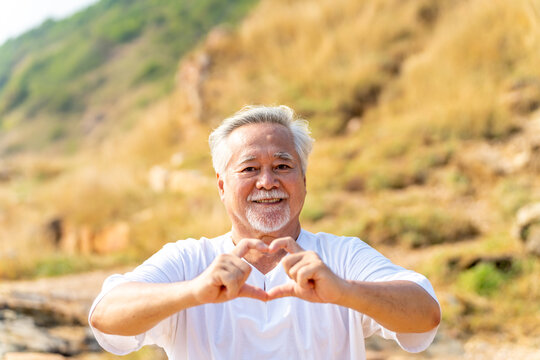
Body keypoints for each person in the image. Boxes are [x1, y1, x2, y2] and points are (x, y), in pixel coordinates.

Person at [89, 105, 441, 360]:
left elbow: (425, 313)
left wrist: (345, 291)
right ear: (222, 186)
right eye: (250, 168)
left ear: (303, 180)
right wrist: (194, 292)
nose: (267, 182)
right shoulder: (190, 260)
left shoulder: (340, 257)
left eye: (283, 166)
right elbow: (106, 316)